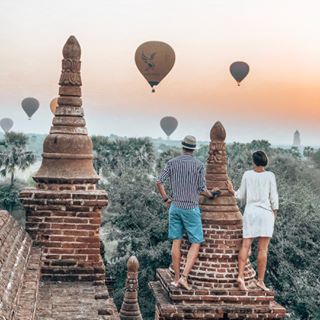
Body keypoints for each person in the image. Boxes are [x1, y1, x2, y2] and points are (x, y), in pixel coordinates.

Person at [156, 135, 220, 290]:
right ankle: (184, 277)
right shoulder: (198, 165)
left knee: (176, 242)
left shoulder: (172, 163)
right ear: (194, 149)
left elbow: (159, 181)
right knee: (196, 242)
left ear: (182, 147)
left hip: (175, 206)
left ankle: (176, 279)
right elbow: (201, 189)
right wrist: (211, 194)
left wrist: (165, 198)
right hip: (191, 207)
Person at [227, 150, 278, 291]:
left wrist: (232, 191)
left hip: (251, 213)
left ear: (253, 162)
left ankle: (240, 276)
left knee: (245, 245)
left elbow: (240, 195)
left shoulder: (247, 174)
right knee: (263, 249)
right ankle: (260, 281)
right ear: (265, 161)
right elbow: (274, 198)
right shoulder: (270, 175)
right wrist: (274, 215)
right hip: (265, 213)